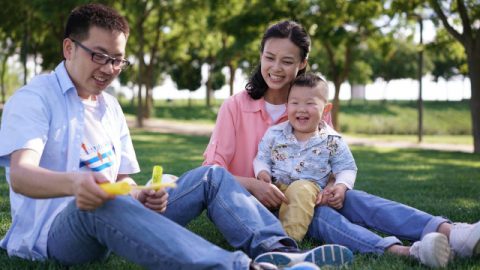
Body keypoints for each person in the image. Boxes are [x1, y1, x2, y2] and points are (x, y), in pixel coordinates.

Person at [0, 4, 354, 270]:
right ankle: (242, 267)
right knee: (100, 202)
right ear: (69, 49)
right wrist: (76, 183)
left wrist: (144, 194)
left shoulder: (109, 107)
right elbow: (21, 175)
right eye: (99, 56)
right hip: (57, 237)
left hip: (118, 215)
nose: (108, 68)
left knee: (211, 176)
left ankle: (283, 252)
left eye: (117, 60)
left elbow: (123, 183)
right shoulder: (34, 99)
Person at [203, 20, 480, 268]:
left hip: (309, 193)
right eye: (269, 57)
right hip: (253, 206)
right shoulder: (235, 107)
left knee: (355, 199)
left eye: (287, 61)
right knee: (321, 216)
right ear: (260, 56)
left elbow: (332, 160)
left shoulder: (313, 105)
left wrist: (336, 186)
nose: (276, 68)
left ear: (302, 63)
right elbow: (211, 172)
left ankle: (451, 233)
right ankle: (406, 252)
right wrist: (255, 185)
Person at [253, 73, 356, 242]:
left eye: (310, 103)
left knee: (301, 189)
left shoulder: (332, 140)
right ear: (287, 106)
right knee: (252, 201)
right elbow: (261, 158)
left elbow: (347, 168)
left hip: (308, 191)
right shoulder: (275, 133)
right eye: (295, 103)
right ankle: (257, 233)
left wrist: (341, 187)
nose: (301, 109)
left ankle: (286, 240)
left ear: (326, 109)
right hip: (276, 190)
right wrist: (262, 173)